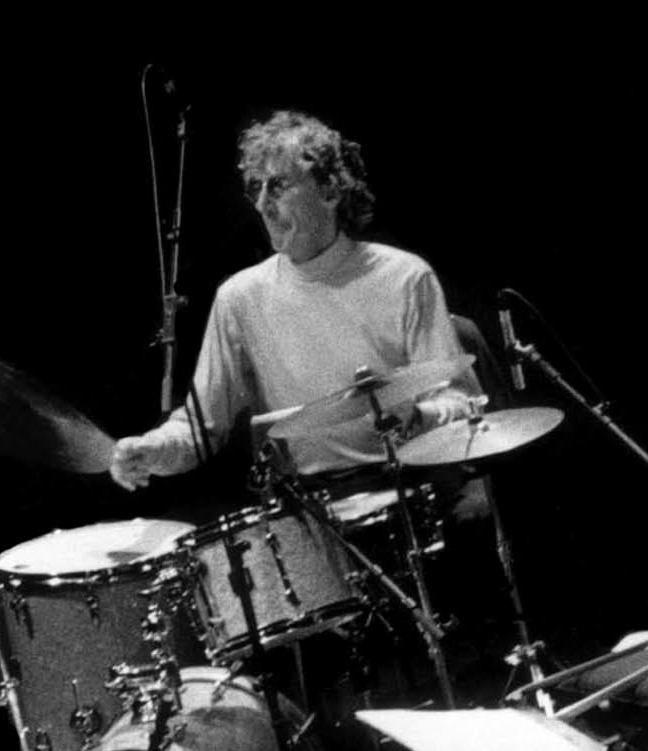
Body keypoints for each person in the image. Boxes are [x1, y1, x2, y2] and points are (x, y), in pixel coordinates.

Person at [109, 109, 477, 491]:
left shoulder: (405, 277)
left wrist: (420, 417)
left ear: (330, 191)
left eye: (279, 186)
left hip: (413, 485)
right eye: (255, 188)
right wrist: (151, 450)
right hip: (312, 506)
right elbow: (199, 430)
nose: (261, 204)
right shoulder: (240, 298)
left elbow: (462, 403)